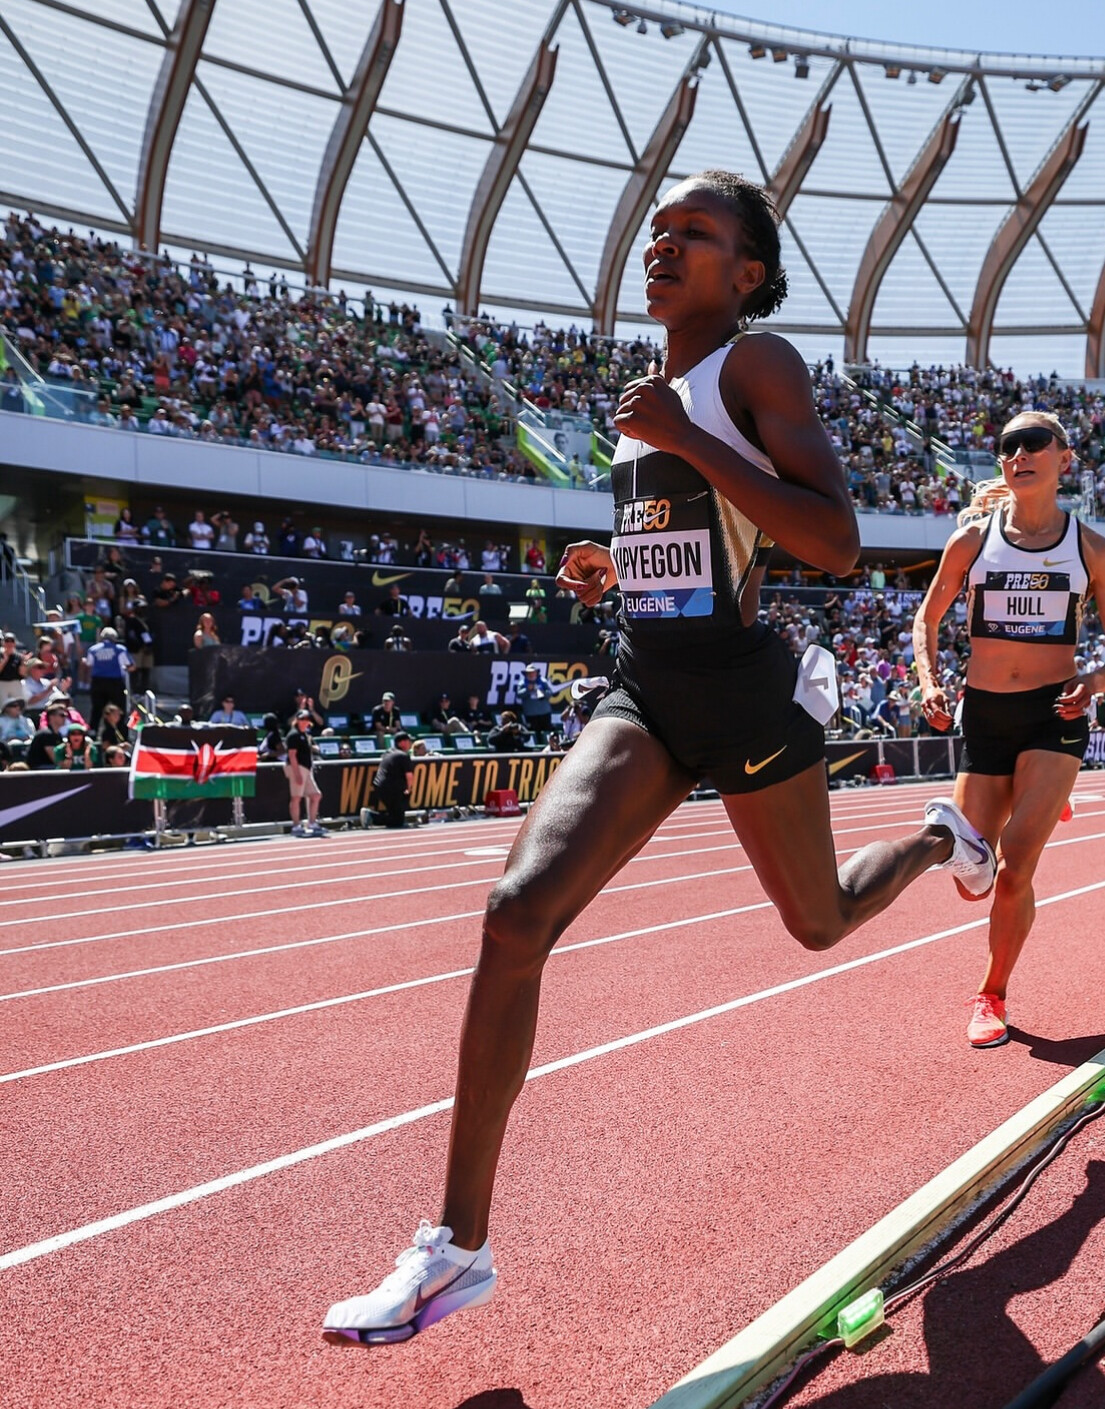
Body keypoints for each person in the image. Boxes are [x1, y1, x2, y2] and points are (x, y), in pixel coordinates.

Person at [322, 169, 995, 1344]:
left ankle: (943, 837)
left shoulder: (754, 365)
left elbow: (834, 541)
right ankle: (456, 1245)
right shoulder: (656, 395)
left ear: (749, 272)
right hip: (646, 686)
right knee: (516, 912)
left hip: (740, 690)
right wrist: (618, 560)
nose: (664, 246)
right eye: (658, 230)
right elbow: (695, 538)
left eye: (696, 232)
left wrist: (680, 438)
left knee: (821, 920)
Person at [912, 410, 1105, 1049]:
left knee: (1013, 870)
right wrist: (929, 681)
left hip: (1052, 715)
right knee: (971, 881)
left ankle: (992, 994)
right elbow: (926, 619)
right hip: (985, 716)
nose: (1019, 453)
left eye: (1034, 442)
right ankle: (1040, 796)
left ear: (1064, 458)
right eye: (1008, 446)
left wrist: (1094, 682)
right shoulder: (971, 543)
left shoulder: (1094, 551)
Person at [285, 710, 326, 837]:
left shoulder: (305, 735)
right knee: (296, 797)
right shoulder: (293, 735)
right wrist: (297, 773)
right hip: (297, 767)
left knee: (316, 795)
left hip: (306, 769)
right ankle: (296, 825)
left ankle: (312, 823)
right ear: (297, 720)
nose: (305, 721)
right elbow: (292, 755)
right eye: (302, 719)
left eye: (307, 719)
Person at [362, 730, 414, 829]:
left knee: (395, 814)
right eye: (408, 741)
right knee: (398, 821)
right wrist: (409, 789)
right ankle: (371, 816)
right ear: (401, 743)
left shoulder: (388, 752)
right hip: (391, 788)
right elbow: (409, 775)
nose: (410, 743)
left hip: (380, 786)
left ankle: (373, 817)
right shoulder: (403, 756)